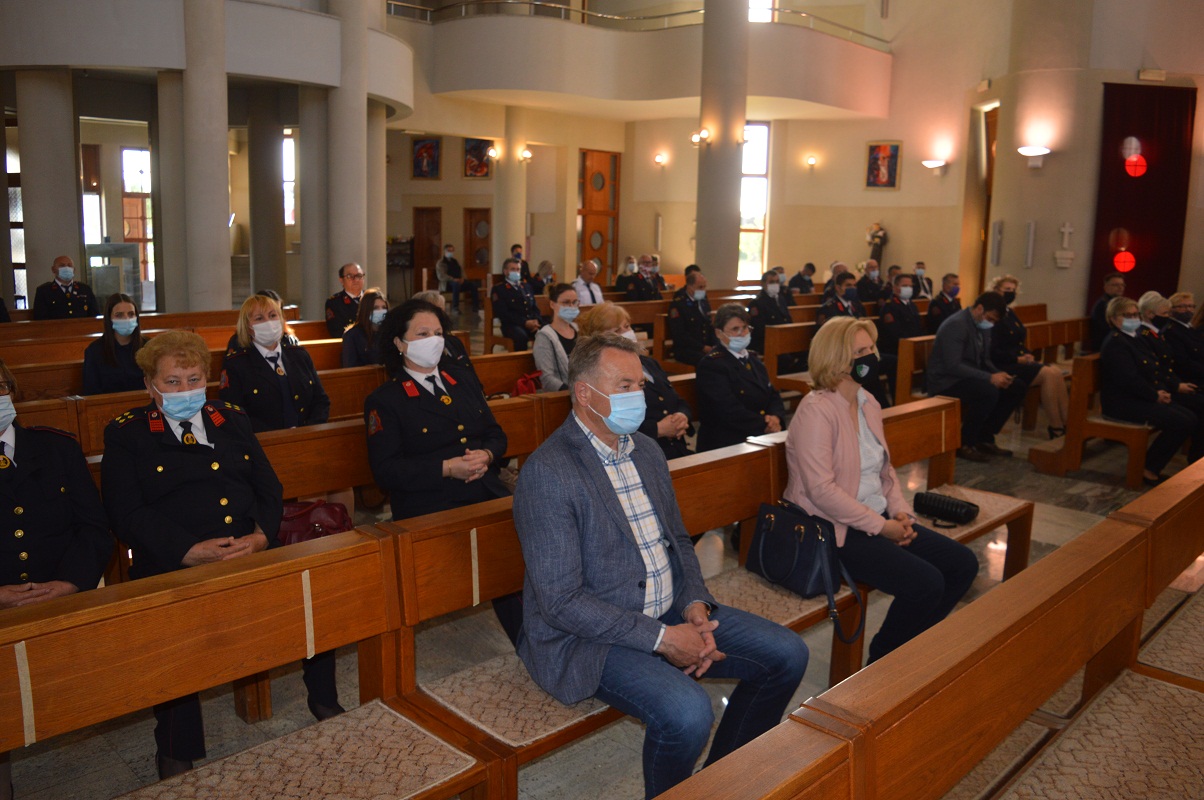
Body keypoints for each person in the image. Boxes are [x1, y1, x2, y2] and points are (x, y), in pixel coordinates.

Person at [512, 333, 808, 799]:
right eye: (624, 386)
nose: (639, 396)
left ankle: (720, 783)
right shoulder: (550, 472)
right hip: (589, 637)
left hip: (668, 608)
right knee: (688, 714)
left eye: (640, 384)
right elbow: (561, 602)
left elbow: (678, 541)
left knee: (787, 655)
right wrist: (664, 639)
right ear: (584, 393)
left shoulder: (646, 451)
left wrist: (694, 604)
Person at [100, 331, 290, 780]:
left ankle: (323, 700)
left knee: (317, 584)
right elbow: (125, 512)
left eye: (194, 379)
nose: (185, 390)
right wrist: (185, 551)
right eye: (173, 382)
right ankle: (174, 747)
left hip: (246, 550)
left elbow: (269, 486)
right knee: (175, 641)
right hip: (173, 561)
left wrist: (261, 537)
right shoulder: (127, 433)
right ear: (150, 385)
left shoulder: (231, 419)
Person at [784, 316, 978, 664]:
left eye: (871, 348)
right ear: (836, 359)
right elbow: (821, 491)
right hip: (834, 530)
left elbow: (885, 470)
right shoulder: (816, 411)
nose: (871, 357)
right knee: (926, 583)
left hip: (877, 516)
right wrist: (881, 526)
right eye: (860, 351)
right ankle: (884, 661)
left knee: (961, 564)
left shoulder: (867, 402)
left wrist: (901, 513)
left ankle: (910, 646)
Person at [363, 299, 521, 644]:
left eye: (438, 333)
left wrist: (486, 454)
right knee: (492, 557)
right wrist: (448, 468)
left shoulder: (460, 379)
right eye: (422, 334)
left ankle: (533, 642)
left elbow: (496, 434)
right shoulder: (385, 400)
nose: (434, 341)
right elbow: (386, 471)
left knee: (518, 552)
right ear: (399, 343)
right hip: (430, 503)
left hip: (483, 490)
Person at [0, 359, 111, 800]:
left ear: (12, 391)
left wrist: (71, 582)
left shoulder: (56, 447)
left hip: (62, 595)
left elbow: (94, 528)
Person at [1099, 296, 1200, 484]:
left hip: (1141, 396)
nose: (1133, 319)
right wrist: (1154, 395)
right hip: (1122, 403)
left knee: (1190, 417)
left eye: (1135, 314)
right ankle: (1147, 469)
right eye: (1127, 315)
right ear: (1113, 318)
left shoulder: (1135, 338)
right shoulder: (1116, 343)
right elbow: (1129, 380)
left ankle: (1151, 465)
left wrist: (1162, 391)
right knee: (1182, 421)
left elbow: (1154, 368)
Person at [579, 302, 693, 460]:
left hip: (676, 449)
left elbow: (676, 399)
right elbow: (606, 422)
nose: (626, 333)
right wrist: (658, 429)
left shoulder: (649, 363)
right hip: (638, 454)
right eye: (617, 330)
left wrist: (682, 416)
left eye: (627, 326)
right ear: (599, 339)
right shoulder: (603, 374)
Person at [926, 292, 1028, 462]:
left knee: (1016, 387)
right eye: (990, 318)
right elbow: (953, 365)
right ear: (980, 309)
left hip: (968, 376)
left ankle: (984, 437)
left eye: (994, 321)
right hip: (946, 381)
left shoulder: (982, 324)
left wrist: (998, 374)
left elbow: (985, 359)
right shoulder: (956, 325)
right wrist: (989, 378)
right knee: (988, 391)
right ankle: (965, 443)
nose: (991, 323)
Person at [220, 295, 330, 432]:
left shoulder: (299, 355)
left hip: (306, 436)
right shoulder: (236, 364)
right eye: (259, 318)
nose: (268, 322)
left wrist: (308, 431)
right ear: (247, 327)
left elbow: (320, 400)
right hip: (264, 440)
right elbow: (233, 413)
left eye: (273, 315)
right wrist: (275, 438)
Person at [696, 304, 786, 451]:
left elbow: (772, 395)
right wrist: (765, 424)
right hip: (728, 440)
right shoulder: (712, 365)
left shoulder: (753, 359)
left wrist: (776, 417)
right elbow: (727, 410)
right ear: (719, 333)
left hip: (760, 432)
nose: (742, 333)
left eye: (745, 328)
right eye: (735, 329)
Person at [989, 275, 1069, 438]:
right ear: (996, 291)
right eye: (1007, 289)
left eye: (1013, 290)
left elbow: (1017, 340)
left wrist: (1026, 353)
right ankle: (1056, 427)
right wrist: (1017, 359)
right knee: (1047, 374)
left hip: (1018, 360)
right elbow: (993, 349)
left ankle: (1068, 423)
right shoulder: (993, 314)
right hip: (1003, 364)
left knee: (1055, 372)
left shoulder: (1010, 312)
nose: (1011, 293)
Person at [82, 293, 147, 395]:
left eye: (131, 314)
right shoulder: (95, 351)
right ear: (109, 318)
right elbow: (91, 391)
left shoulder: (149, 347)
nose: (126, 319)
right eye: (119, 315)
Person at [875, 272, 924, 403]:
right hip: (895, 349)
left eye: (910, 286)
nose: (908, 288)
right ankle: (899, 401)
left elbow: (918, 328)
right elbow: (894, 333)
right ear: (895, 287)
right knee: (896, 370)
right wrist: (910, 344)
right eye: (905, 285)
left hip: (910, 346)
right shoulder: (889, 307)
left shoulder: (911, 305)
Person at [748, 269, 797, 371]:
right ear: (763, 284)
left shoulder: (781, 299)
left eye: (777, 281)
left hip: (782, 338)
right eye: (771, 282)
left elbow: (788, 319)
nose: (775, 284)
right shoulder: (757, 303)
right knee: (785, 358)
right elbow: (759, 329)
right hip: (766, 341)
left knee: (802, 352)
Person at [533, 283, 579, 392]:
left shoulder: (578, 329)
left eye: (574, 302)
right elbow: (547, 378)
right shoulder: (545, 336)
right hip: (563, 394)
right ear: (552, 304)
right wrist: (574, 392)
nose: (571, 307)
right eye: (566, 302)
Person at [668, 270, 717, 366]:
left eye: (705, 287)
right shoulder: (678, 305)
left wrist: (715, 345)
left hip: (705, 347)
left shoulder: (703, 302)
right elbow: (680, 334)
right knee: (709, 362)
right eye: (700, 287)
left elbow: (710, 325)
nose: (703, 290)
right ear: (690, 287)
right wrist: (702, 347)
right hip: (687, 349)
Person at [491, 258, 541, 351]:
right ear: (505, 271)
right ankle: (520, 360)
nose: (516, 272)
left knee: (548, 332)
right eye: (513, 269)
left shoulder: (526, 286)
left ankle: (540, 359)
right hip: (512, 325)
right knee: (521, 337)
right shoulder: (499, 289)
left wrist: (536, 321)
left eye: (518, 269)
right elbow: (503, 313)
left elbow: (534, 307)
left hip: (530, 323)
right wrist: (524, 322)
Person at [413, 290, 472, 369]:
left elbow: (469, 371)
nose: (443, 316)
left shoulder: (453, 342)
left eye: (442, 311)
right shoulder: (418, 346)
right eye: (437, 312)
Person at [31, 255, 99, 319]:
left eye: (69, 265)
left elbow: (94, 315)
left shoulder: (84, 289)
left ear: (74, 269)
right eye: (62, 265)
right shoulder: (44, 291)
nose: (67, 268)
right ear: (53, 269)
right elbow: (40, 318)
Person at [341, 288, 388, 368]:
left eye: (384, 308)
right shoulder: (352, 336)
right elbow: (350, 367)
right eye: (375, 308)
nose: (381, 311)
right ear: (366, 310)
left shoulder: (389, 332)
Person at [1164, 292, 1204, 382]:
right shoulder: (1171, 331)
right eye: (1183, 306)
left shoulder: (1191, 329)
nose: (1188, 310)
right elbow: (1183, 362)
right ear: (1171, 309)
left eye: (1191, 306)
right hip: (1188, 379)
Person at [435, 244, 480, 314]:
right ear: (445, 251)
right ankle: (455, 308)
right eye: (449, 251)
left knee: (473, 285)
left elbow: (461, 271)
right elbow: (441, 276)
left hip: (458, 281)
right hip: (447, 283)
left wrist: (462, 279)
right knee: (456, 285)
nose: (451, 252)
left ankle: (476, 307)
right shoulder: (441, 263)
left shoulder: (455, 261)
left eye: (452, 251)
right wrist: (453, 279)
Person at [325, 262, 365, 336]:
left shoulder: (373, 298)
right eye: (350, 276)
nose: (356, 280)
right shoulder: (334, 302)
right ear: (341, 280)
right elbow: (336, 331)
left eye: (359, 276)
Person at [1089, 272, 1126, 351]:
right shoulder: (1103, 305)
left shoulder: (1117, 303)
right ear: (1106, 287)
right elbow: (1106, 329)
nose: (1120, 287)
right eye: (1116, 285)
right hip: (1105, 345)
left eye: (1122, 285)